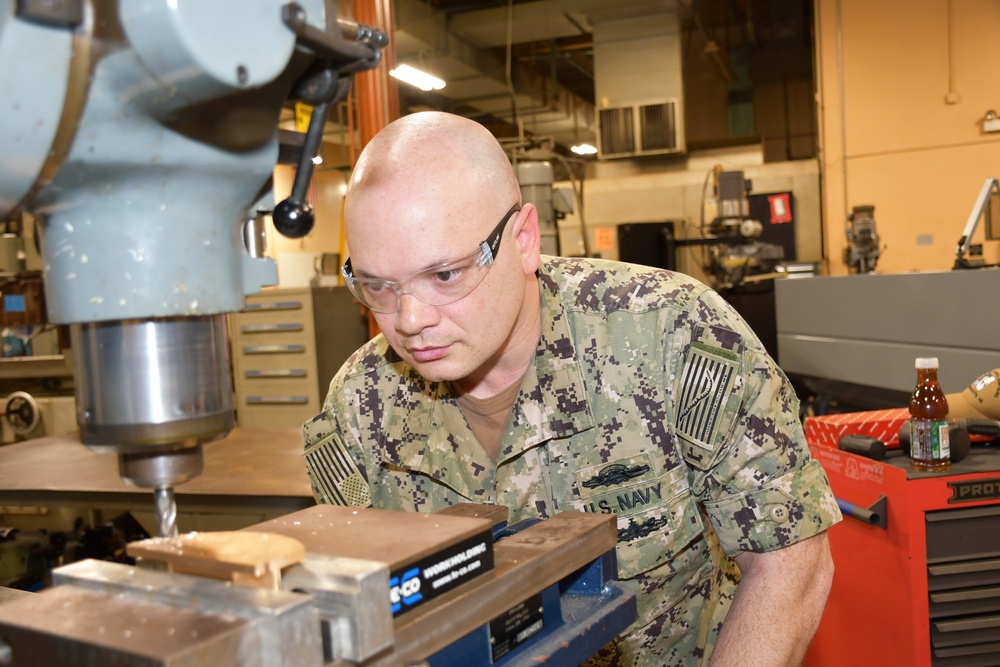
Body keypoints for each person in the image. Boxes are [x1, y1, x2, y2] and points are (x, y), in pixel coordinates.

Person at [302, 111, 841, 666]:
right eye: (377, 285)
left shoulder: (672, 337)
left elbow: (789, 561)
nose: (410, 319)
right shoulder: (359, 403)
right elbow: (363, 607)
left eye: (444, 276)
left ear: (523, 240)